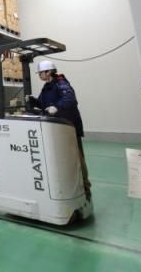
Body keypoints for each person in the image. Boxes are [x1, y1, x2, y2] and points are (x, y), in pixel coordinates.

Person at [26, 60, 92, 200]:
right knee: (63, 159)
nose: (40, 75)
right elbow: (43, 104)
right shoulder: (47, 87)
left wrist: (57, 107)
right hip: (57, 129)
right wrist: (33, 101)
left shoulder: (61, 83)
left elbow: (70, 99)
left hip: (69, 127)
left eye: (41, 73)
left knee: (77, 159)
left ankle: (86, 190)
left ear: (49, 71)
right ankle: (67, 187)